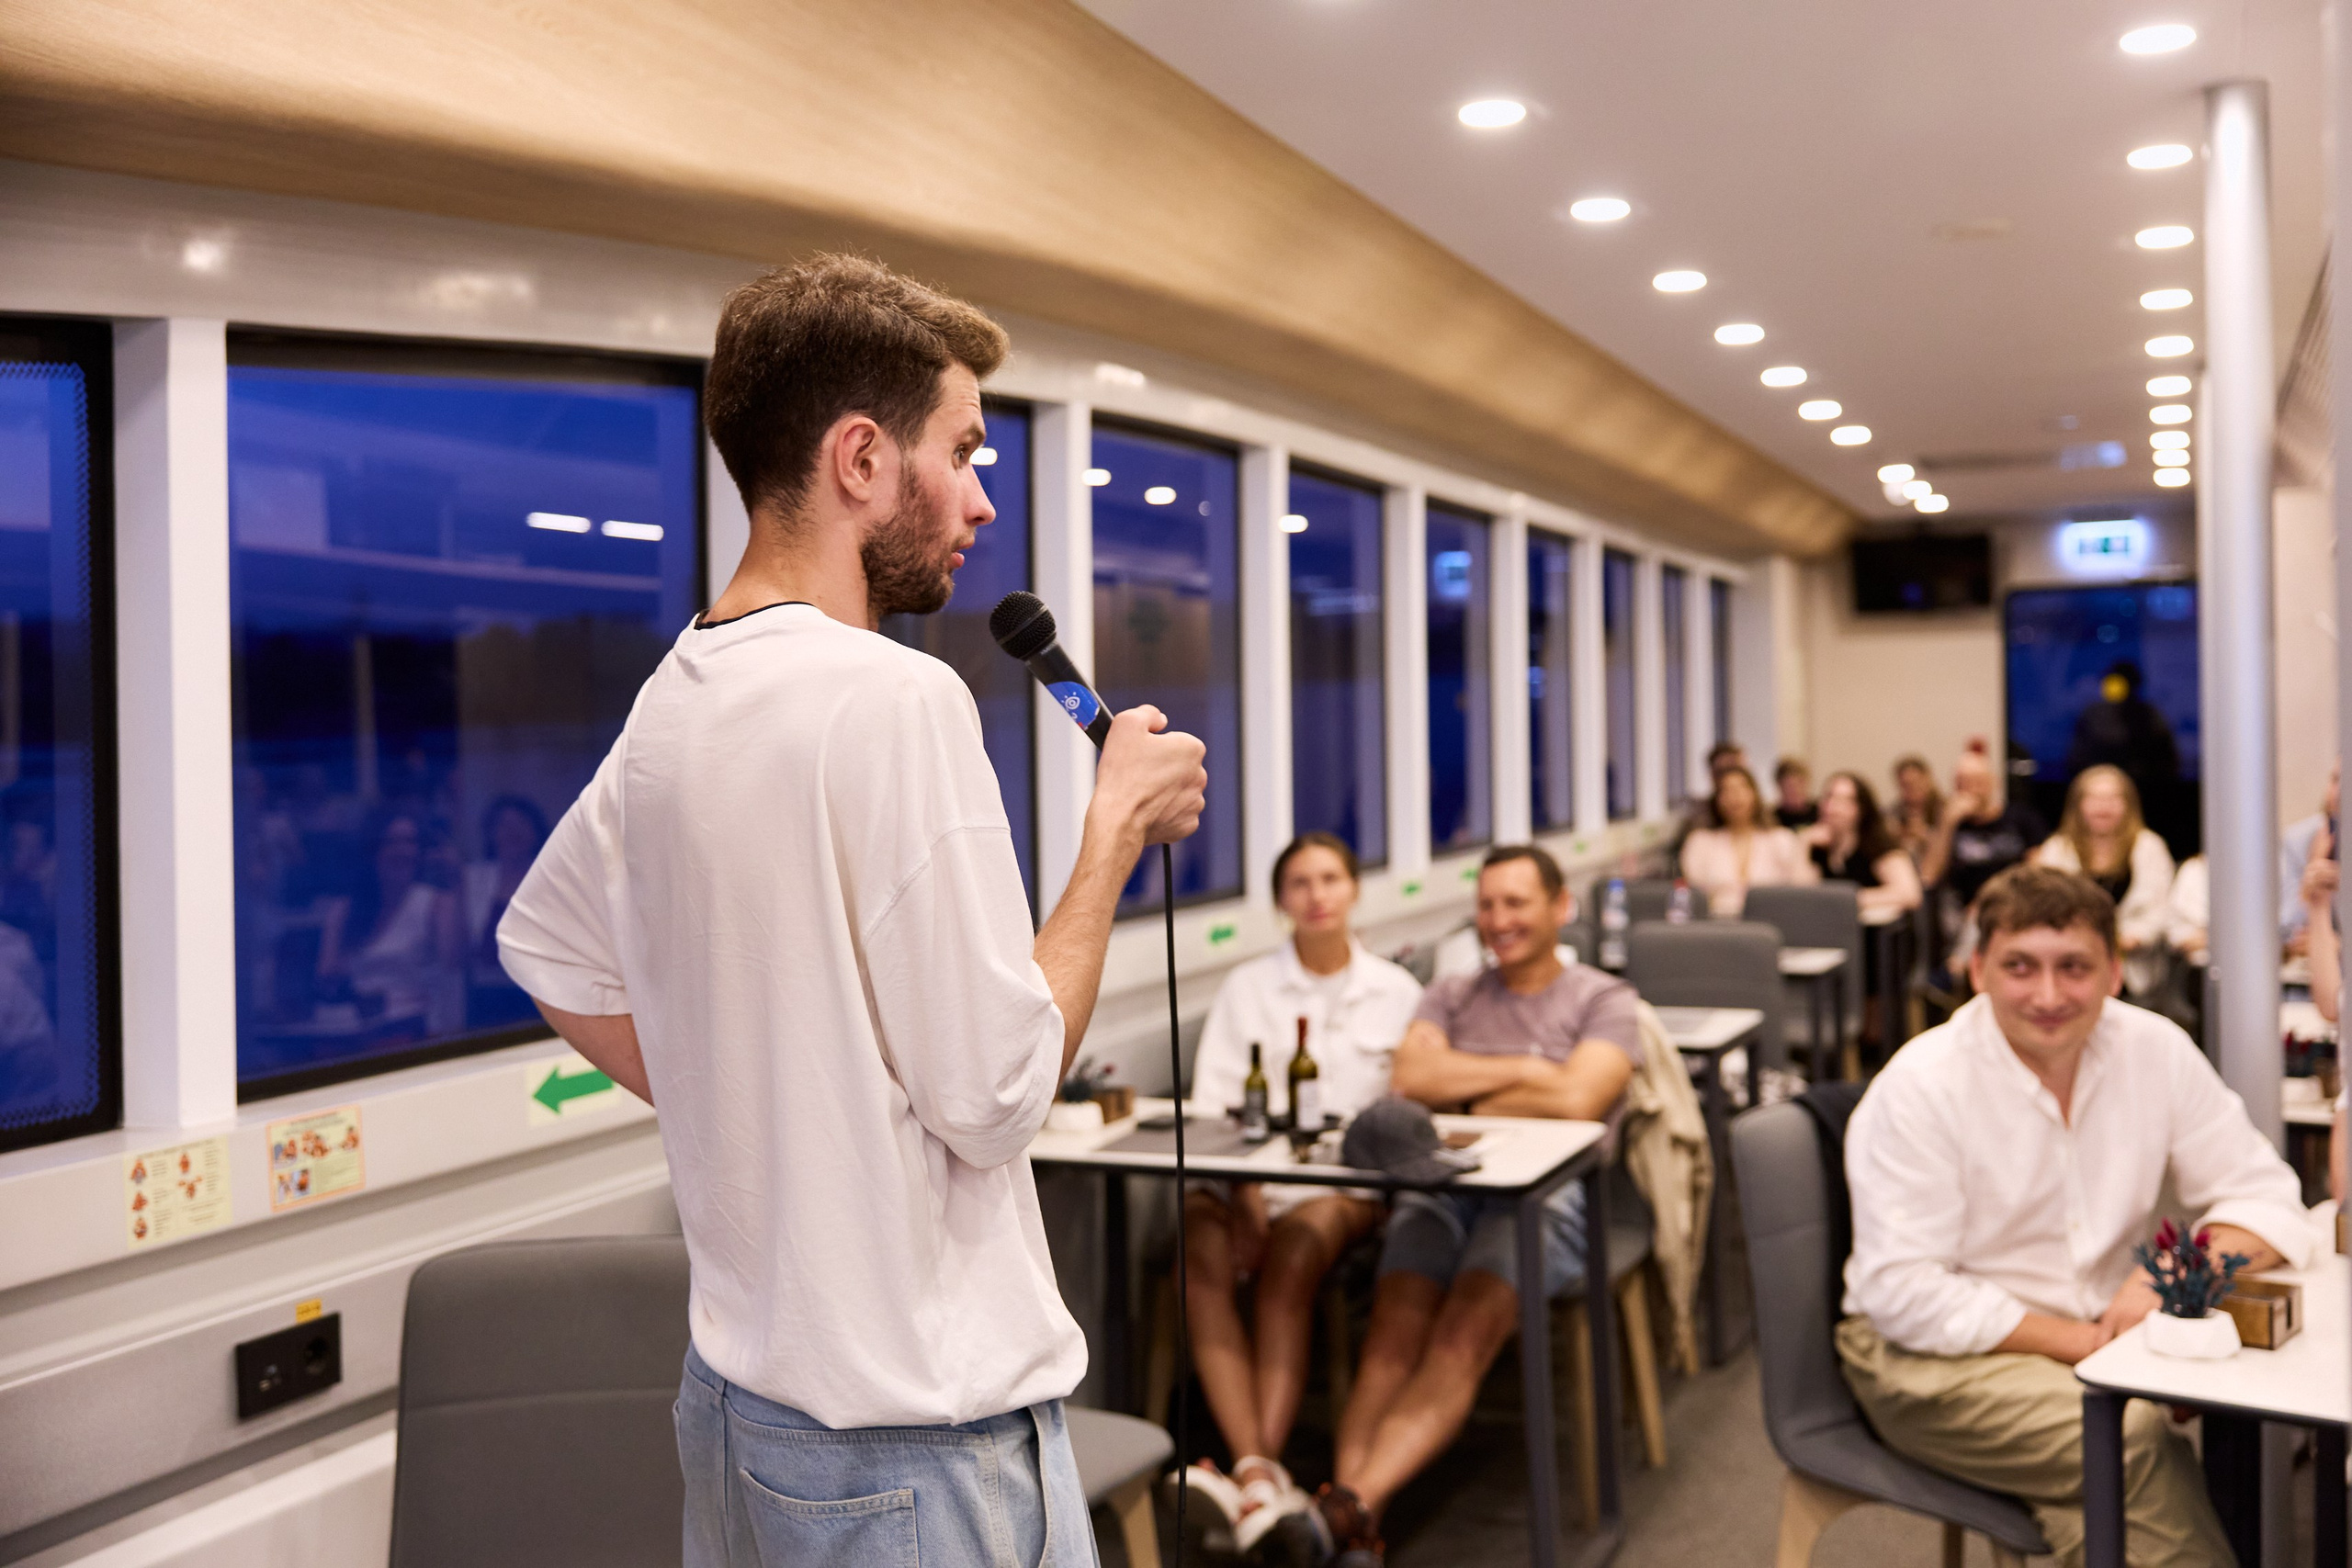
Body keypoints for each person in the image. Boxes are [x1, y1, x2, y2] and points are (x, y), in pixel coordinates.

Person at [497, 254, 1208, 1567]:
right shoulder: (896, 698)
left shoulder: (677, 695)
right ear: (863, 459)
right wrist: (1110, 835)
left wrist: (758, 1102)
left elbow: (542, 948)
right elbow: (997, 1094)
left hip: (737, 1414)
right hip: (913, 1454)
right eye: (966, 450)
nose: (984, 499)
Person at [1840, 865, 2311, 1567]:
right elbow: (1903, 1293)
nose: (2050, 994)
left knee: (2132, 1475)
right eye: (2020, 966)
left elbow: (2268, 1195)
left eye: (2075, 967)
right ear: (1977, 969)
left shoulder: (2153, 1049)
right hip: (1929, 1358)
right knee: (2130, 1437)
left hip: (2093, 1346)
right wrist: (2091, 1344)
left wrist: (2170, 1275)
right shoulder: (1920, 1085)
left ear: (2116, 972)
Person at [1317, 844, 1641, 1564]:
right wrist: (1530, 1068)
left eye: (1517, 902)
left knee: (1463, 1330)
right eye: (1488, 903)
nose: (1499, 920)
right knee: (1392, 1333)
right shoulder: (1451, 993)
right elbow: (1409, 1078)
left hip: (1547, 1203)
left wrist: (1461, 1087)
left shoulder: (1603, 999)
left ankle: (1336, 1512)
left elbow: (1579, 1098)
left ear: (1562, 907)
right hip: (1444, 1191)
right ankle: (1352, 1525)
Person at [1171, 833, 1422, 1555]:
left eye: (1330, 879)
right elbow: (1216, 1107)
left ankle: (1249, 1469)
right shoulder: (1248, 987)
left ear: (1353, 889)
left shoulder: (1397, 991)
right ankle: (1261, 1475)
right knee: (1199, 1250)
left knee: (1292, 1255)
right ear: (1282, 900)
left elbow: (1402, 1116)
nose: (1317, 895)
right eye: (1300, 883)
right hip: (1244, 1174)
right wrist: (1246, 1193)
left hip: (1341, 1187)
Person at [2030, 765, 2174, 999]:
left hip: (2136, 973)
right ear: (2078, 805)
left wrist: (2131, 939)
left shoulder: (2149, 847)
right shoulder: (2057, 849)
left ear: (2128, 804)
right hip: (2069, 966)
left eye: (2113, 799)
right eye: (2094, 799)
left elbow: (2162, 909)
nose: (2103, 807)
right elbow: (2043, 909)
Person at [318, 810, 462, 1036]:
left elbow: (452, 963)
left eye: (410, 842)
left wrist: (454, 878)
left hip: (413, 1029)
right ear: (373, 850)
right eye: (392, 842)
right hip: (351, 1029)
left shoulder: (436, 903)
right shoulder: (346, 909)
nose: (402, 851)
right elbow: (326, 974)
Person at [1678, 764, 1817, 917]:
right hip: (1717, 924)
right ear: (1717, 799)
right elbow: (1692, 895)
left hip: (1772, 922)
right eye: (1727, 790)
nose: (1735, 797)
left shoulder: (1780, 839)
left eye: (1742, 788)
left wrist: (1804, 842)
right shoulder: (1700, 842)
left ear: (1755, 794)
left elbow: (1803, 890)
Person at [463, 795, 548, 1029]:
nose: (513, 832)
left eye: (520, 824)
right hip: (485, 994)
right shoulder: (473, 878)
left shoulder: (551, 876)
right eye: (504, 825)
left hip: (542, 992)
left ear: (535, 830)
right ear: (491, 834)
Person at [2061, 659, 2181, 810]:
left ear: (2136, 686)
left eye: (2126, 684)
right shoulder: (2093, 715)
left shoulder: (2151, 716)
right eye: (2112, 683)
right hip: (2099, 793)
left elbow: (2168, 761)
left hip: (2149, 795)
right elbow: (2076, 760)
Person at [1803, 771, 1922, 921]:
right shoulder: (1819, 848)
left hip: (1870, 935)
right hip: (1829, 930)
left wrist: (1847, 899)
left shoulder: (1877, 845)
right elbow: (1803, 897)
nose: (1831, 808)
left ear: (1860, 808)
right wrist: (1803, 843)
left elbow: (1910, 893)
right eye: (1828, 798)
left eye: (1842, 801)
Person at [2279, 762, 2337, 949]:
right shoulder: (2302, 839)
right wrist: (2313, 873)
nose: (2338, 792)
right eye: (2335, 779)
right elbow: (2288, 927)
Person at [1888, 753, 1943, 865]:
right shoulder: (1892, 813)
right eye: (1905, 785)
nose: (1912, 789)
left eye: (1916, 782)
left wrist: (1925, 836)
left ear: (1927, 779)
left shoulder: (1945, 810)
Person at [1772, 756, 1818, 829]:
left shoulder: (1820, 813)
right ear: (1780, 785)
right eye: (1789, 786)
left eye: (1799, 784)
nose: (1795, 790)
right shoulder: (1771, 818)